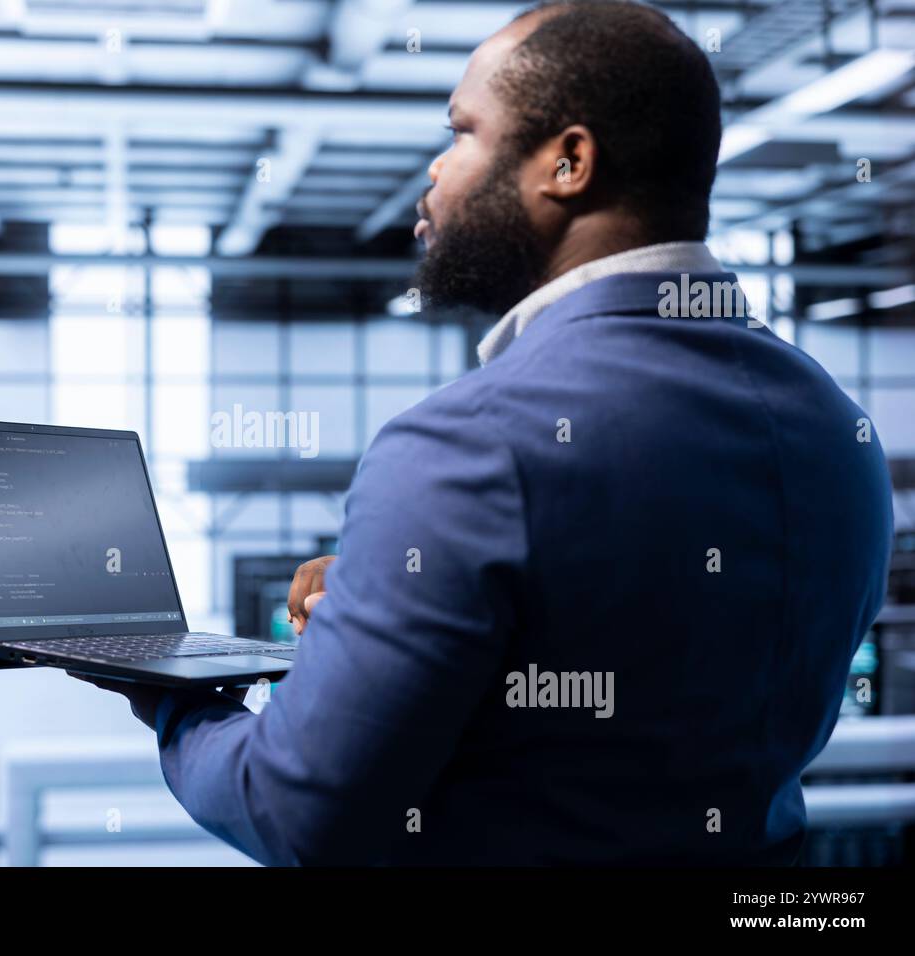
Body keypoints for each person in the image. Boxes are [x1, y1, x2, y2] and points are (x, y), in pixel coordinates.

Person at [77, 0, 894, 864]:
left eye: (461, 132)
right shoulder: (836, 427)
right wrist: (399, 599)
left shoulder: (464, 445)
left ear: (569, 163)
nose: (434, 168)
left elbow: (295, 809)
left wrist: (173, 696)